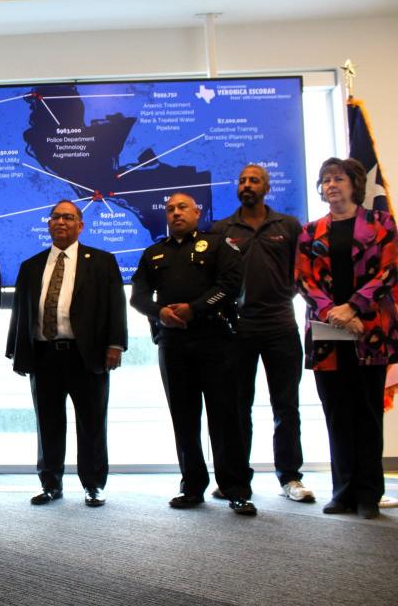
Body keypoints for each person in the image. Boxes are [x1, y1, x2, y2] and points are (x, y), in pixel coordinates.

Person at [130, 192, 257, 516]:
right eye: (170, 209)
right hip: (173, 344)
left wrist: (194, 309)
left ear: (197, 212)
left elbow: (231, 285)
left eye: (182, 207)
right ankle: (191, 486)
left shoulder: (217, 245)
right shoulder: (154, 252)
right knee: (184, 418)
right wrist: (160, 313)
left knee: (225, 416)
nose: (175, 213)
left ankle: (236, 488)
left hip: (215, 339)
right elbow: (138, 296)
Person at [6, 200, 126, 508]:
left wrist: (115, 345)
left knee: (92, 423)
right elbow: (21, 313)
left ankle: (94, 484)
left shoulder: (101, 261)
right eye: (56, 217)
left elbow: (116, 307)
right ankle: (51, 484)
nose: (61, 222)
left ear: (80, 225)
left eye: (68, 217)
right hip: (44, 355)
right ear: (48, 224)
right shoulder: (31, 266)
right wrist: (18, 353)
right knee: (48, 423)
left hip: (86, 355)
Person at [296, 157, 398, 519]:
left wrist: (353, 307)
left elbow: (389, 270)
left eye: (338, 179)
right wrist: (333, 313)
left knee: (367, 413)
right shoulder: (309, 232)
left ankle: (369, 493)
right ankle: (342, 492)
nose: (331, 185)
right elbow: (304, 281)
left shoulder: (381, 223)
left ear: (355, 184)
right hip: (328, 334)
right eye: (325, 180)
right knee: (337, 413)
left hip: (369, 330)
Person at [210, 164, 314, 502]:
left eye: (254, 180)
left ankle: (290, 478)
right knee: (238, 407)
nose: (247, 185)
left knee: (286, 406)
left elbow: (303, 271)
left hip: (281, 326)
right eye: (242, 180)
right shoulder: (222, 228)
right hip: (238, 329)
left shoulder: (288, 225)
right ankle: (236, 479)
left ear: (267, 187)